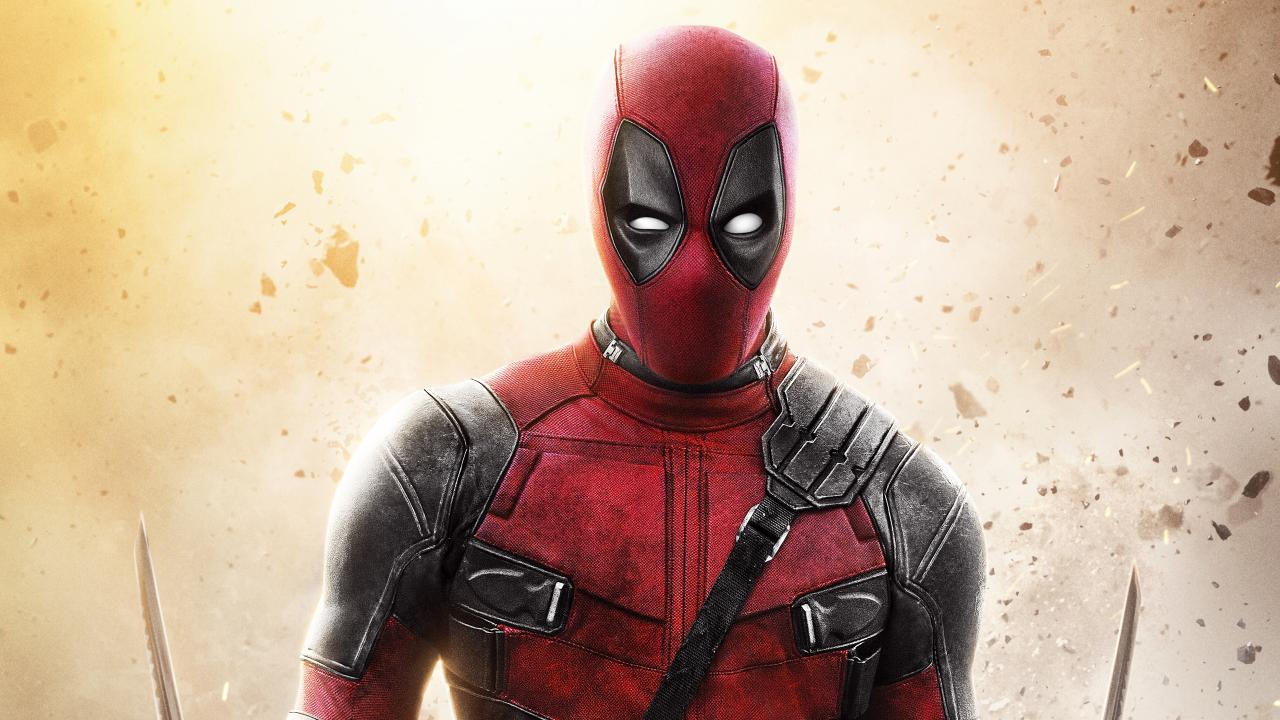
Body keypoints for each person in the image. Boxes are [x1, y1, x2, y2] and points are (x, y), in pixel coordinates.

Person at [289, 25, 984, 720]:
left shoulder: (903, 504)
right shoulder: (444, 461)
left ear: (786, 203)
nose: (695, 270)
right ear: (602, 200)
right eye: (651, 222)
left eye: (740, 223)